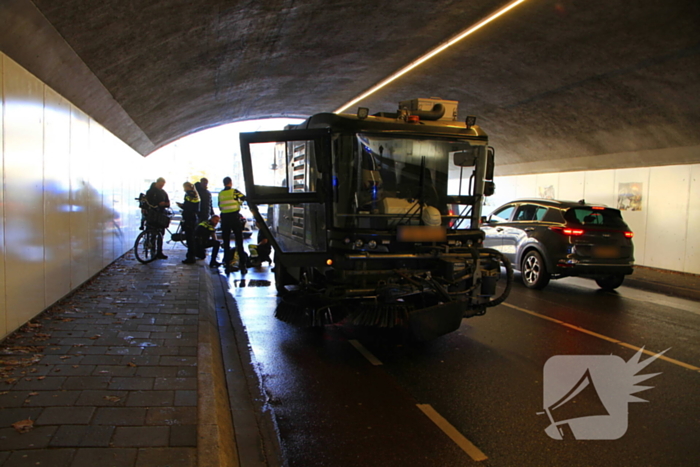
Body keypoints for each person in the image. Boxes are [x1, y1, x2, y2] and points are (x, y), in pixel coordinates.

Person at [218, 176, 247, 273]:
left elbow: (220, 205)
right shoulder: (234, 191)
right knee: (239, 240)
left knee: (226, 241)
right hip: (234, 217)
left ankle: (227, 262)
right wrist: (238, 203)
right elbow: (244, 198)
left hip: (225, 218)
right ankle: (242, 263)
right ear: (230, 183)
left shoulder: (221, 193)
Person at [146, 177, 170, 259]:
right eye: (160, 185)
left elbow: (168, 203)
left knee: (160, 234)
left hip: (160, 215)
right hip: (152, 215)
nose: (161, 186)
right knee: (153, 234)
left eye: (162, 185)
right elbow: (147, 202)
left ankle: (159, 252)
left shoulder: (163, 192)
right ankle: (153, 251)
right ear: (157, 183)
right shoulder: (150, 192)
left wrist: (165, 204)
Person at [178, 182, 201, 264]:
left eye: (184, 187)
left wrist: (181, 206)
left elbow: (187, 206)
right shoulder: (196, 194)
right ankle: (192, 255)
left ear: (187, 187)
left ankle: (190, 258)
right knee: (192, 238)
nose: (183, 189)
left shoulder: (188, 194)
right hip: (194, 218)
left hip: (189, 218)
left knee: (189, 239)